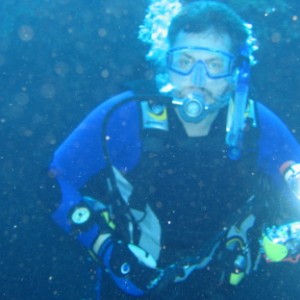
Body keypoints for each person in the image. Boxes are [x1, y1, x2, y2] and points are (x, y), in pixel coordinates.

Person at [47, 0, 300, 299]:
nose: (197, 80)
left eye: (215, 65)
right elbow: (52, 181)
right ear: (165, 62)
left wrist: (278, 244)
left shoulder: (258, 127)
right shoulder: (126, 117)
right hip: (132, 288)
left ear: (236, 74)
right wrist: (107, 249)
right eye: (184, 61)